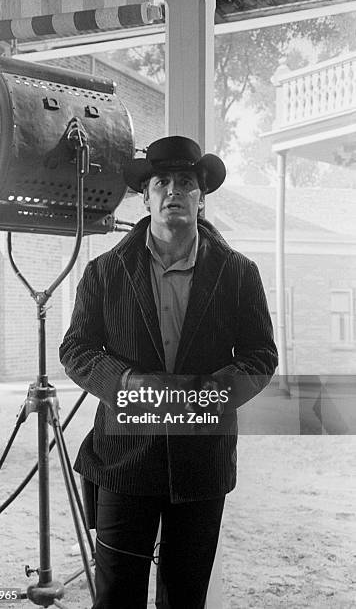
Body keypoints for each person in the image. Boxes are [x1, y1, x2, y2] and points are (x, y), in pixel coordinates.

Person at [59, 135, 278, 609]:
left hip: (202, 463)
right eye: (162, 183)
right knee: (117, 595)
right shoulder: (105, 272)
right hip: (123, 461)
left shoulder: (239, 273)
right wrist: (123, 385)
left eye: (186, 183)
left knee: (184, 595)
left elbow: (261, 354)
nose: (173, 191)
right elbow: (75, 348)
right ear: (146, 195)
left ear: (202, 198)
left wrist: (213, 394)